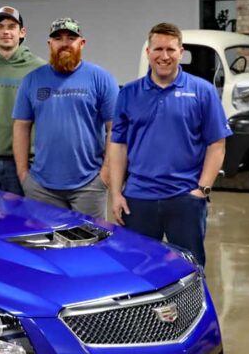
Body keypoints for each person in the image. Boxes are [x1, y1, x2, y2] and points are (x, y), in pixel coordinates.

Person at [108, 22, 232, 266]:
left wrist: (202, 191)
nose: (164, 56)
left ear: (181, 52)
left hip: (184, 199)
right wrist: (115, 193)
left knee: (189, 269)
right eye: (158, 49)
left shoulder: (202, 92)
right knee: (138, 272)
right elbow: (118, 145)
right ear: (148, 52)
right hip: (137, 199)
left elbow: (217, 144)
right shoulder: (129, 94)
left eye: (171, 50)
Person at [12, 18, 117, 221]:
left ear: (82, 43)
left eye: (71, 38)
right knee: (46, 246)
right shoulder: (32, 80)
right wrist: (23, 174)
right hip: (41, 187)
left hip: (89, 185)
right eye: (58, 38)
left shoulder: (101, 78)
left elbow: (116, 128)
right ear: (50, 44)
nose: (65, 43)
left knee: (89, 247)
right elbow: (21, 127)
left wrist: (105, 174)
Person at [0, 6, 45, 194]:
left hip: (23, 161)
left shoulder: (39, 68)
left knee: (19, 219)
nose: (6, 31)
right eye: (0, 26)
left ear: (22, 32)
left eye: (12, 26)